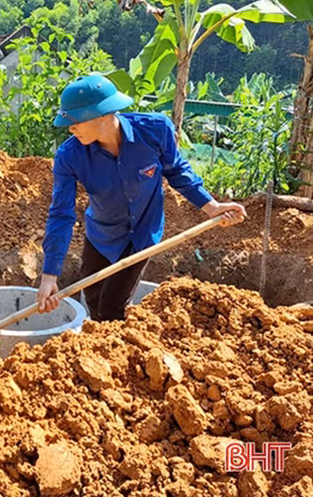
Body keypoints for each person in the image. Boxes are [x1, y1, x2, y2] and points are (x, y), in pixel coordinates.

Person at [37, 74, 246, 321]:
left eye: (76, 122)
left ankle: (115, 353)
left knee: (111, 308)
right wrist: (50, 275)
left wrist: (211, 207)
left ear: (104, 114)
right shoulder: (69, 156)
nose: (70, 129)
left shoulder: (155, 131)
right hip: (101, 234)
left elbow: (177, 171)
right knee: (93, 299)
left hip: (142, 236)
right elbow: (61, 214)